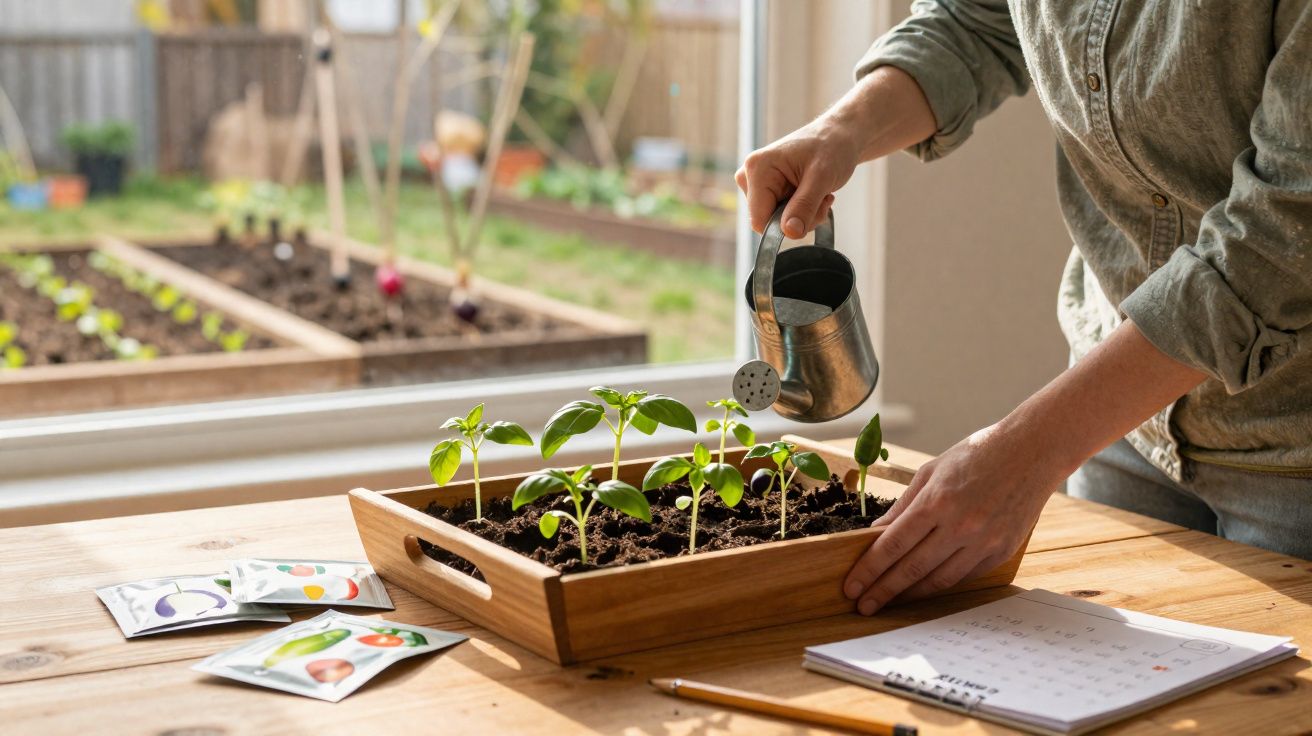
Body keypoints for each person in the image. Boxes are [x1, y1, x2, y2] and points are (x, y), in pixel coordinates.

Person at [736, 0, 1312, 616]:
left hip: (1292, 446)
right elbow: (978, 21)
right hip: (1123, 428)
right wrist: (844, 129)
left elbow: (1281, 240)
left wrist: (1029, 452)